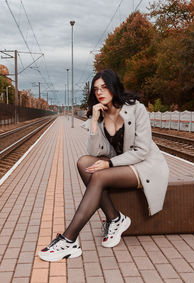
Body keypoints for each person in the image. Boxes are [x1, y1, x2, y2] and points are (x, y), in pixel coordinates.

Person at [38, 69, 169, 262]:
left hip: (145, 166)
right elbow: (94, 152)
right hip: (121, 165)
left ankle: (69, 239)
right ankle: (115, 218)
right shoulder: (100, 114)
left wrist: (110, 164)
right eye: (96, 89)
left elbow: (142, 151)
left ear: (114, 87)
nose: (100, 92)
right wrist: (93, 122)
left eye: (105, 87)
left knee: (99, 175)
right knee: (84, 163)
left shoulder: (136, 109)